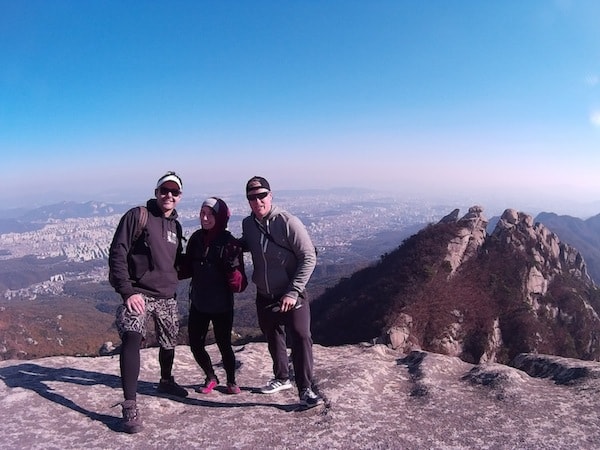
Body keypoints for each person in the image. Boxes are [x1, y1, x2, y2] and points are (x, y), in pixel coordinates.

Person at [108, 171, 188, 434]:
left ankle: (165, 381)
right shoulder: (138, 216)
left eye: (174, 192)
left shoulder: (175, 226)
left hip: (166, 295)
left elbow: (174, 264)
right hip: (138, 292)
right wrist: (127, 292)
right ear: (156, 193)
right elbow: (117, 252)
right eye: (164, 190)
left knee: (169, 342)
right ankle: (130, 404)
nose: (169, 195)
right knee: (132, 336)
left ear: (179, 197)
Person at [241, 176, 323, 408]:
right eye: (252, 197)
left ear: (270, 195)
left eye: (261, 196)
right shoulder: (248, 224)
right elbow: (251, 243)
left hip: (290, 293)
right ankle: (281, 378)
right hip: (264, 293)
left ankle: (305, 389)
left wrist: (293, 291)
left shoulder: (287, 222)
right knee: (273, 335)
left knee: (301, 336)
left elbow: (308, 257)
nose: (257, 201)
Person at [180, 197, 247, 395]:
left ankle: (231, 381)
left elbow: (240, 285)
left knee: (224, 344)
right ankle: (211, 376)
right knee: (195, 343)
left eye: (210, 214)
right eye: (202, 213)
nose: (205, 218)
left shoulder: (229, 243)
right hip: (199, 301)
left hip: (222, 304)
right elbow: (187, 268)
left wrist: (232, 270)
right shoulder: (196, 239)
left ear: (221, 217)